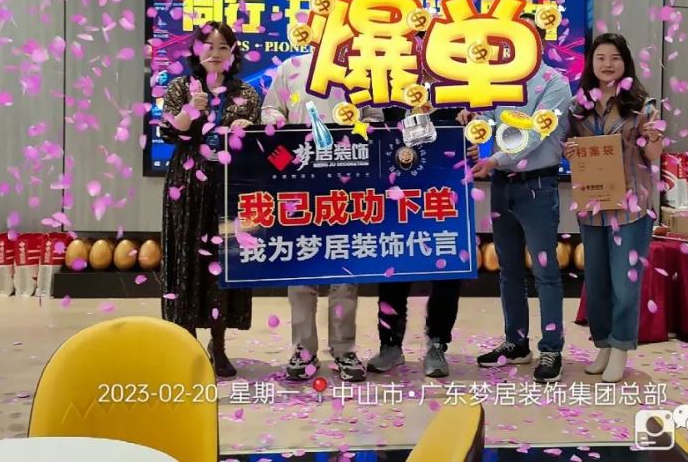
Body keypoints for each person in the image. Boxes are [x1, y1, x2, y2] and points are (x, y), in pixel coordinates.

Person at [458, 23, 572, 384]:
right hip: (502, 185)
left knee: (545, 271)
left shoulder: (556, 83)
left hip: (537, 185)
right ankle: (517, 342)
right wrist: (473, 122)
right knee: (508, 270)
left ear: (540, 44)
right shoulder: (500, 81)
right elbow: (491, 123)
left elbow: (534, 132)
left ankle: (551, 348)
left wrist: (495, 159)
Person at [261, 52, 383, 383]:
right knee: (301, 270)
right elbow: (270, 109)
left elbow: (375, 118)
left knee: (345, 271)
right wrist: (278, 122)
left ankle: (344, 350)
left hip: (346, 182)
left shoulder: (359, 68)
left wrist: (357, 127)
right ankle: (303, 350)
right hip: (299, 180)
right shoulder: (291, 67)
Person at [159, 21, 261, 378]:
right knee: (186, 259)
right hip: (187, 184)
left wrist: (248, 131)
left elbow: (258, 143)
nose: (215, 54)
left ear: (233, 53)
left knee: (224, 262)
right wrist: (190, 109)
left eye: (223, 47)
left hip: (228, 186)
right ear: (195, 50)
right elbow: (171, 132)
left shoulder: (246, 93)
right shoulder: (179, 87)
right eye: (208, 46)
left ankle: (218, 346)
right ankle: (185, 343)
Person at [565, 33, 663, 383]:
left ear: (626, 63)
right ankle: (604, 344)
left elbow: (654, 155)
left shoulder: (642, 104)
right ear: (591, 63)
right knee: (597, 282)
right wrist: (570, 151)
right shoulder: (579, 105)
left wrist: (653, 137)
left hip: (631, 208)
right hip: (593, 206)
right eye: (601, 58)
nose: (608, 64)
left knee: (625, 283)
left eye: (615, 58)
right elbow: (571, 147)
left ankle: (621, 346)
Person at [368, 100, 463, 378]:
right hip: (396, 191)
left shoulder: (455, 87)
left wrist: (470, 140)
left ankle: (438, 343)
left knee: (447, 272)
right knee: (393, 268)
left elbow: (475, 125)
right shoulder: (387, 87)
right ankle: (390, 345)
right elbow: (372, 128)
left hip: (444, 190)